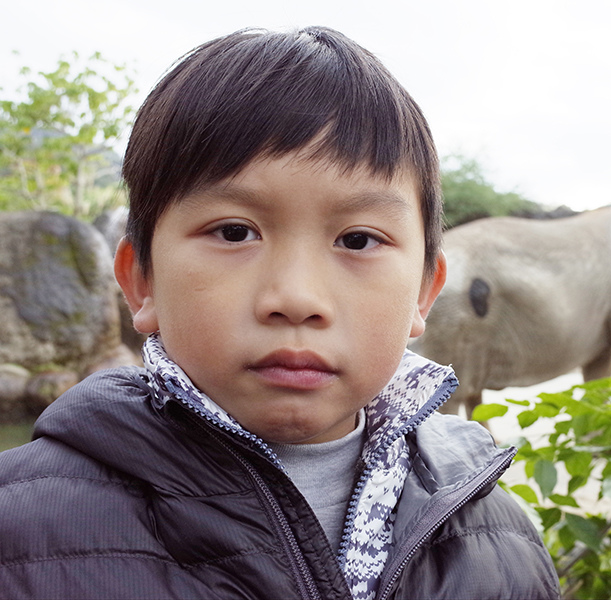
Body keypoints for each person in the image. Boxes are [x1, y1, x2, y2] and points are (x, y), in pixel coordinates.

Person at [0, 27, 560, 599]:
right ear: (141, 281)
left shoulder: (503, 545)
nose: (296, 298)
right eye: (235, 231)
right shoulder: (21, 536)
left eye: (359, 240)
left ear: (424, 291)